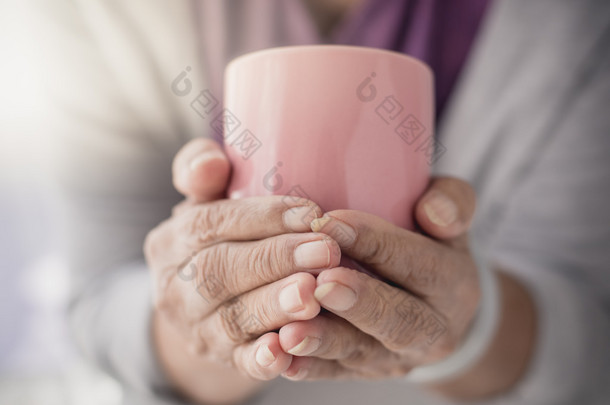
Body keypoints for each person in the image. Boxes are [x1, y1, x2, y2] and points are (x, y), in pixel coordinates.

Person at [40, 0, 610, 404]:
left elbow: (590, 332)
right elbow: (97, 301)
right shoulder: (103, 12)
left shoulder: (570, 18)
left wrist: (470, 322)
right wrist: (205, 321)